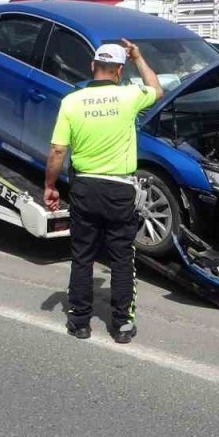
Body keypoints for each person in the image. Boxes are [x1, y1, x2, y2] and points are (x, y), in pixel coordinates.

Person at [44, 40, 163, 344]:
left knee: (82, 256)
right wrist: (139, 57)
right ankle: (121, 325)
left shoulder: (72, 101)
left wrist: (50, 186)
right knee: (121, 258)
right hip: (120, 189)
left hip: (85, 186)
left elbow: (57, 150)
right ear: (119, 71)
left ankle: (79, 322)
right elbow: (156, 89)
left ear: (92, 66)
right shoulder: (129, 96)